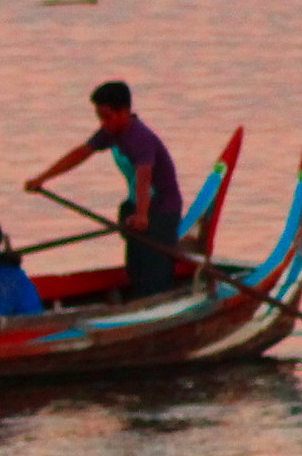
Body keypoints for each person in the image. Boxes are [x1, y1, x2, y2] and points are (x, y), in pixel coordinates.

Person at [25, 80, 185, 299]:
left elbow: (144, 179)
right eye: (100, 117)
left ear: (125, 112)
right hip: (137, 206)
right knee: (136, 269)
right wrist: (42, 178)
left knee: (154, 274)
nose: (103, 123)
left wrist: (142, 215)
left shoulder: (141, 138)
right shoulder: (111, 132)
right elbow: (81, 153)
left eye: (107, 117)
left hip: (160, 211)